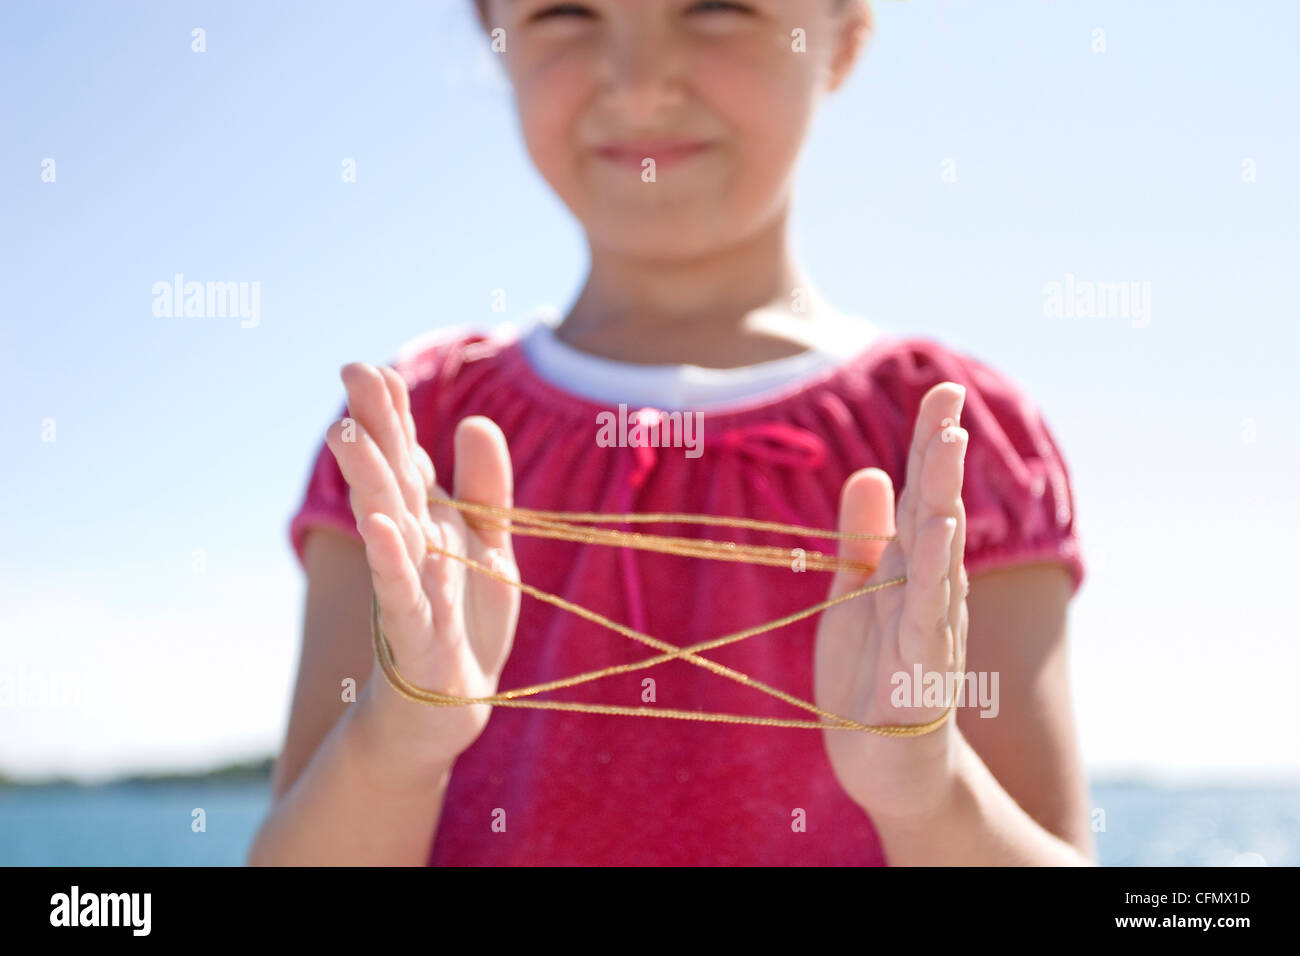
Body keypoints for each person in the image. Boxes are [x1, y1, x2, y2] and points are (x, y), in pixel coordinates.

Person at [248, 0, 1093, 866]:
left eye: (717, 7)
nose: (640, 83)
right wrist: (398, 742)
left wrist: (929, 791)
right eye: (566, 13)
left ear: (842, 38)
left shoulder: (950, 441)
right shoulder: (412, 437)